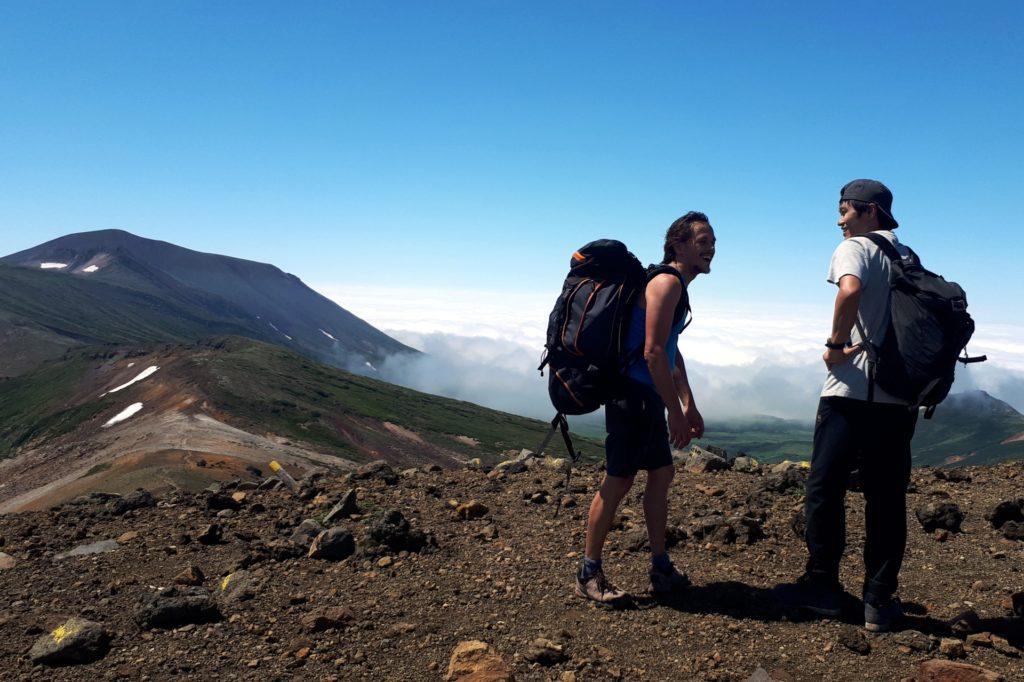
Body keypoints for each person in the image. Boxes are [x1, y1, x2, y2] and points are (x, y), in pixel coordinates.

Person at [776, 179, 919, 632]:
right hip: (898, 397)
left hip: (851, 392)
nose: (839, 220)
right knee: (886, 497)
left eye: (845, 210)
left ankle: (822, 589)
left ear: (869, 212)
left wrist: (835, 345)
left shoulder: (855, 247)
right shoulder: (907, 256)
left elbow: (850, 290)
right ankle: (878, 601)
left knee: (824, 489)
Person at [575, 211, 716, 603]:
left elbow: (671, 349)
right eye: (703, 241)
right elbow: (654, 354)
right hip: (631, 395)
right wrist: (674, 410)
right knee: (619, 480)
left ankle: (660, 566)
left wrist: (688, 403)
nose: (711, 249)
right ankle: (588, 572)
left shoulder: (675, 287)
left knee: (662, 473)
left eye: (713, 242)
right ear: (679, 244)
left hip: (646, 395)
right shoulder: (667, 284)